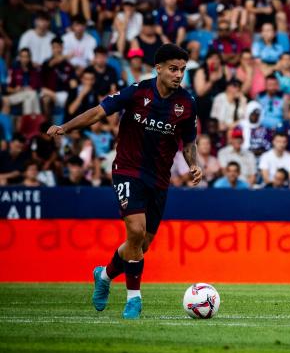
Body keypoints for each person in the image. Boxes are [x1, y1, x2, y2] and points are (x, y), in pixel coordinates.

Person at [47, 44, 202, 320]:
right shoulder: (137, 91)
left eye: (182, 70)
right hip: (128, 170)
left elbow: (188, 140)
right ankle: (134, 300)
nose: (179, 75)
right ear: (159, 69)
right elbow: (97, 112)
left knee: (140, 246)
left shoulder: (186, 103)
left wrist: (194, 164)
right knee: (136, 230)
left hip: (159, 179)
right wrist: (65, 127)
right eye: (173, 69)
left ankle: (104, 275)